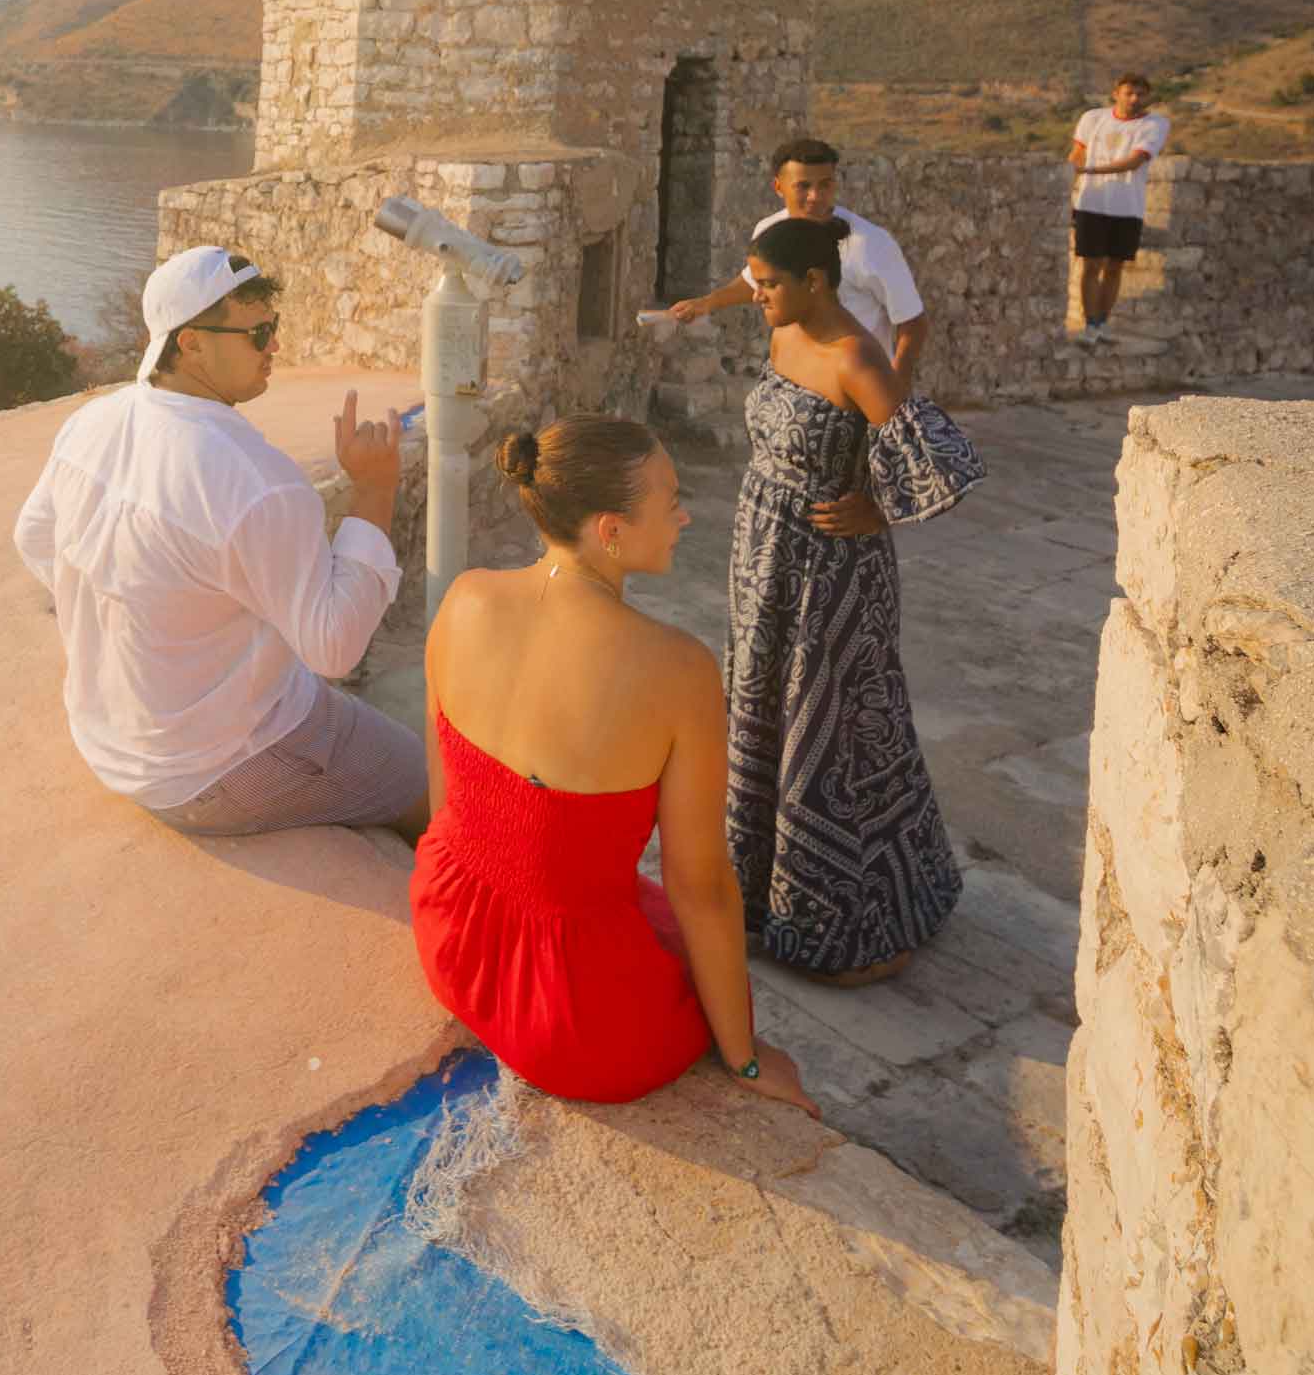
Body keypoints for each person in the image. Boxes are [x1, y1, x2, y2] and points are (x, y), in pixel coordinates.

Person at [408, 415, 813, 1108]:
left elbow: (445, 800)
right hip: (574, 1026)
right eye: (670, 499)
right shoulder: (679, 670)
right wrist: (746, 1059)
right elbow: (702, 887)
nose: (684, 515)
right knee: (693, 958)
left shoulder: (465, 594)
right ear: (610, 529)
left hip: (448, 933)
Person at [14, 243, 425, 838]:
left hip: (106, 736)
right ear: (191, 343)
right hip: (216, 768)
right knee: (437, 787)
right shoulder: (258, 483)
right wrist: (374, 490)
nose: (275, 347)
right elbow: (333, 646)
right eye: (258, 333)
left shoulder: (92, 423)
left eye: (273, 327)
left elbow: (34, 539)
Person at [724, 211, 982, 984]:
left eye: (769, 283)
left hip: (831, 579)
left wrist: (879, 506)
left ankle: (861, 926)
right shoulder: (782, 334)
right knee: (763, 711)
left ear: (815, 280)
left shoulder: (855, 357)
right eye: (756, 282)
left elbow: (947, 462)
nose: (759, 294)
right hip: (762, 560)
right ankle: (760, 901)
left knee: (837, 736)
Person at [642, 137, 929, 397]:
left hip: (853, 390)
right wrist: (705, 304)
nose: (816, 196)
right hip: (793, 383)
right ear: (778, 187)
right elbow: (754, 281)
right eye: (803, 186)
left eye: (825, 184)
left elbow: (912, 321)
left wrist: (896, 381)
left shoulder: (870, 244)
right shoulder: (769, 230)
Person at [1065, 72, 1171, 331]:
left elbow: (1136, 161)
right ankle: (1090, 323)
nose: (1135, 99)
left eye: (1141, 94)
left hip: (1127, 205)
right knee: (1090, 264)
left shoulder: (1155, 124)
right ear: (1116, 94)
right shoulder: (1093, 118)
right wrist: (1068, 185)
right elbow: (1077, 154)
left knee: (1114, 266)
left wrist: (1091, 172)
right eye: (1129, 93)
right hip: (1090, 202)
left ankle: (1101, 323)